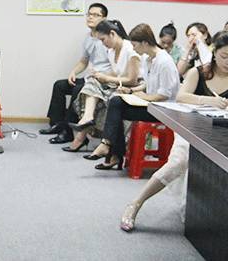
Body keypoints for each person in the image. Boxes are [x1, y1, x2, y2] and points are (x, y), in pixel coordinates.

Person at [120, 31, 228, 231]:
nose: (227, 62)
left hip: (221, 130)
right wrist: (208, 100)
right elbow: (181, 96)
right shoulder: (199, 72)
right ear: (214, 53)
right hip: (192, 126)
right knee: (179, 161)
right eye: (224, 56)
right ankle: (135, 203)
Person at [76, 24, 179, 170]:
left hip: (163, 109)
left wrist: (143, 97)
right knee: (115, 102)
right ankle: (110, 150)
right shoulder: (148, 59)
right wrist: (131, 91)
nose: (134, 49)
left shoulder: (164, 62)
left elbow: (164, 95)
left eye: (135, 45)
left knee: (116, 107)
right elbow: (147, 84)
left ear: (145, 43)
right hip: (151, 104)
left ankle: (110, 150)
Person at [41, 3, 111, 145]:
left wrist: (103, 76)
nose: (90, 17)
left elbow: (116, 65)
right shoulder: (88, 37)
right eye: (89, 14)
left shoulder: (108, 38)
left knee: (77, 90)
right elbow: (84, 61)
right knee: (60, 85)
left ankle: (68, 132)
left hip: (101, 81)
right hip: (89, 78)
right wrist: (73, 72)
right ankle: (57, 124)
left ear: (104, 18)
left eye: (95, 15)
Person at [64, 20, 140, 152]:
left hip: (133, 88)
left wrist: (107, 78)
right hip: (118, 84)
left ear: (112, 34)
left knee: (107, 99)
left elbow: (132, 80)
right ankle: (87, 118)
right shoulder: (112, 51)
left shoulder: (130, 49)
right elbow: (116, 72)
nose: (103, 44)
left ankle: (85, 136)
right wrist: (100, 75)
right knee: (92, 82)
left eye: (103, 39)